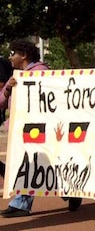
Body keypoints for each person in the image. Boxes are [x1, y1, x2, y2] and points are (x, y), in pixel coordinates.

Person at [0, 40, 71, 217]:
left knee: (30, 163)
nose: (10, 57)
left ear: (23, 55)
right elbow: (1, 102)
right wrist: (8, 89)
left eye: (13, 53)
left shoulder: (41, 72)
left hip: (38, 128)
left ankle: (22, 203)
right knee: (32, 164)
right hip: (20, 128)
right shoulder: (16, 75)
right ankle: (68, 191)